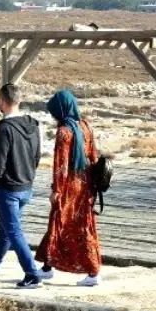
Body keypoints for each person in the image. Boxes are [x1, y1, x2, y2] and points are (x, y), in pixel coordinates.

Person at [0, 83, 48, 289]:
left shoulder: (4, 128)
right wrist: (28, 176)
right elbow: (37, 155)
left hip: (7, 188)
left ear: (2, 101)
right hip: (26, 185)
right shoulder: (33, 125)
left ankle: (32, 275)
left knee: (14, 231)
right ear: (18, 100)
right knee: (7, 229)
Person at [36, 90, 102, 287]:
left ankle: (93, 272)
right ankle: (47, 267)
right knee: (74, 224)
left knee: (64, 223)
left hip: (69, 188)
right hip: (85, 185)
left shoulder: (64, 132)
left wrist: (56, 190)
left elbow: (61, 165)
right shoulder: (85, 127)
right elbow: (94, 157)